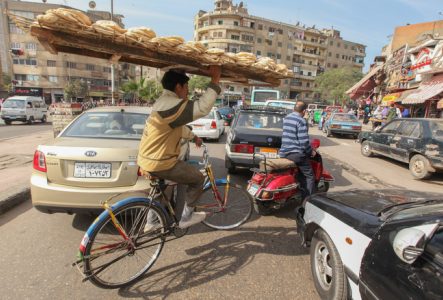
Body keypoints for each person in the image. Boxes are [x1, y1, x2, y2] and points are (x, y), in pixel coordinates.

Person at [138, 66, 221, 229]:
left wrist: (194, 136)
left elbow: (177, 127)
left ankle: (151, 222)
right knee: (198, 178)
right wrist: (215, 81)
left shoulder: (163, 103)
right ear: (178, 87)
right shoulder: (171, 104)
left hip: (147, 159)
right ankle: (186, 218)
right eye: (187, 88)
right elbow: (202, 108)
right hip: (160, 161)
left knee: (163, 187)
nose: (188, 92)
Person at [279, 101, 315, 200]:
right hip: (295, 153)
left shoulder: (286, 118)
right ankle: (308, 201)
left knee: (299, 171)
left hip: (284, 152)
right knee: (309, 176)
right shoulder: (301, 120)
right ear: (304, 111)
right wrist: (311, 151)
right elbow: (303, 142)